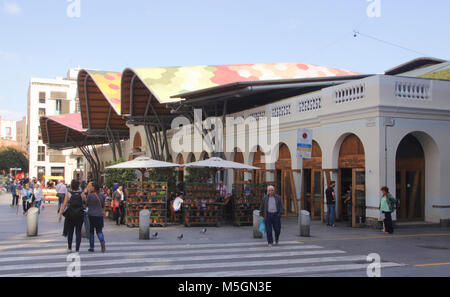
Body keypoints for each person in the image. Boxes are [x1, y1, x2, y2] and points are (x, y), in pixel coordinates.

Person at [58, 180, 85, 253]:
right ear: (78, 186)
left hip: (70, 215)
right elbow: (85, 202)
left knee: (70, 231)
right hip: (79, 215)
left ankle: (69, 247)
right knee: (78, 231)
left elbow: (64, 204)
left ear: (71, 186)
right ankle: (77, 249)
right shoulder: (81, 194)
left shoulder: (68, 194)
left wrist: (60, 214)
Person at [86, 183, 106, 253]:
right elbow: (103, 205)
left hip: (92, 215)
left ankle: (91, 247)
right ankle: (102, 243)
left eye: (91, 187)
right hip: (100, 215)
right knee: (99, 231)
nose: (90, 188)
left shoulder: (90, 196)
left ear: (94, 188)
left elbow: (87, 203)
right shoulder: (102, 195)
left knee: (91, 231)